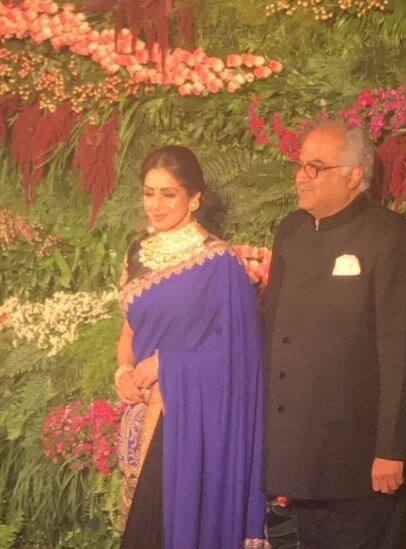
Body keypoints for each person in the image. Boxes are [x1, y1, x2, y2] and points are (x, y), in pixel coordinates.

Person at [263, 122, 406, 549]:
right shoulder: (291, 231)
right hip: (302, 453)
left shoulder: (393, 239)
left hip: (362, 459)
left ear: (354, 175)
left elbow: (403, 353)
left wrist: (391, 450)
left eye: (315, 167)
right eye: (300, 165)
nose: (301, 177)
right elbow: (272, 334)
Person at [115, 145, 269, 549]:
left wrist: (166, 364)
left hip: (189, 418)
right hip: (141, 412)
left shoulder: (220, 263)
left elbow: (240, 356)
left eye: (169, 194)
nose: (156, 204)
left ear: (194, 197)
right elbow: (129, 330)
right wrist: (123, 370)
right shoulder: (136, 254)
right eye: (149, 193)